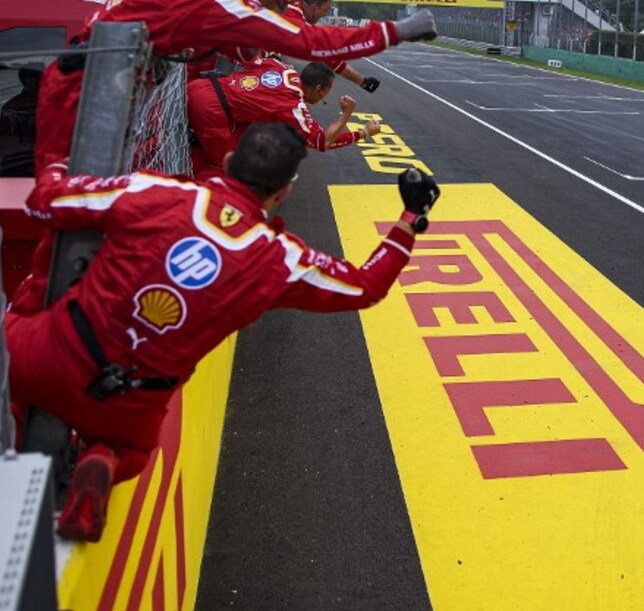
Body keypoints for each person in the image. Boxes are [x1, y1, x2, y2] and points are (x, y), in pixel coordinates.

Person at [7, 122, 441, 542]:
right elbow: (365, 286)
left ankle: (26, 428)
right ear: (282, 192)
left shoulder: (157, 191)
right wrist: (410, 218)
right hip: (130, 399)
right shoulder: (279, 259)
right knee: (134, 452)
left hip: (53, 348)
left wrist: (57, 166)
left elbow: (46, 202)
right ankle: (104, 457)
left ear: (230, 160)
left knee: (19, 340)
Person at [33, 0, 435, 174]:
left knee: (88, 206)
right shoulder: (230, 3)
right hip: (93, 94)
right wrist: (401, 29)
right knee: (69, 214)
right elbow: (314, 43)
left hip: (97, 74)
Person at [187, 57, 379, 173]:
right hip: (211, 110)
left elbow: (247, 59)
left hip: (200, 86)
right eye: (325, 94)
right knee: (229, 170)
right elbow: (323, 142)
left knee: (246, 138)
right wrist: (350, 118)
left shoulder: (279, 66)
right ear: (318, 89)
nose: (322, 99)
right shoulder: (293, 105)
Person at [285, 0, 381, 93]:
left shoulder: (290, 6)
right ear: (314, 7)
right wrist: (363, 82)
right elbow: (331, 58)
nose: (325, 14)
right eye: (325, 10)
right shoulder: (296, 21)